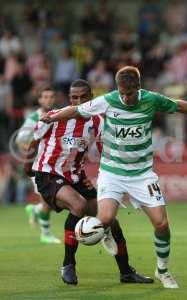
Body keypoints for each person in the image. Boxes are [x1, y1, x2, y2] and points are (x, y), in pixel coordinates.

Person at [41, 66, 187, 288]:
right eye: (122, 92)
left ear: (138, 88)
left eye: (129, 93)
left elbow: (178, 105)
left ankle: (162, 270)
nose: (125, 97)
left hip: (142, 174)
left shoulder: (151, 99)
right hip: (112, 172)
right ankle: (104, 233)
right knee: (106, 218)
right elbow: (77, 110)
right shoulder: (109, 99)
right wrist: (53, 117)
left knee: (162, 224)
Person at [25, 79, 152, 285]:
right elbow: (34, 140)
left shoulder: (98, 122)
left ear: (91, 97)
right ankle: (68, 265)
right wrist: (27, 167)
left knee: (111, 221)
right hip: (49, 173)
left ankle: (126, 272)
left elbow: (106, 154)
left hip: (76, 177)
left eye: (83, 97)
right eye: (74, 98)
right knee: (79, 205)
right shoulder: (55, 116)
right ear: (69, 99)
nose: (78, 101)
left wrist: (107, 180)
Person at [15, 87, 61, 244]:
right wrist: (32, 153)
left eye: (51, 96)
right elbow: (20, 139)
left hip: (53, 164)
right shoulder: (34, 117)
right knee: (48, 201)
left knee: (53, 201)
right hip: (37, 166)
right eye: (45, 97)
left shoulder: (59, 115)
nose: (48, 99)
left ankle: (34, 210)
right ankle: (45, 234)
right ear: (40, 100)